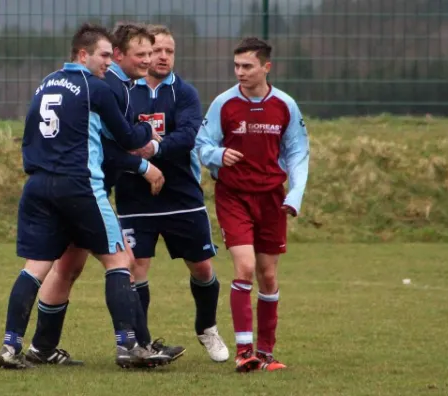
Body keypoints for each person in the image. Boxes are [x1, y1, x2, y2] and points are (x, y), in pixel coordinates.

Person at [0, 22, 163, 370]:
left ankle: (12, 347)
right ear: (82, 54)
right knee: (118, 262)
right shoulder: (94, 87)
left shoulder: (45, 83)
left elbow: (29, 135)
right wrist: (150, 129)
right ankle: (128, 346)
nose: (108, 63)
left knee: (36, 268)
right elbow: (130, 138)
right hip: (79, 185)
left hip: (39, 186)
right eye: (103, 55)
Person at [195, 37, 309, 373]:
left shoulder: (285, 105)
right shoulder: (224, 104)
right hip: (234, 196)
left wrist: (295, 194)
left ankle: (266, 353)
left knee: (268, 276)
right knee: (244, 268)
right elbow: (202, 144)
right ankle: (245, 352)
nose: (240, 72)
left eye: (247, 66)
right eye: (237, 66)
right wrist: (218, 155)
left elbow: (298, 152)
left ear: (266, 67)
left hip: (272, 198)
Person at [117, 24, 229, 363]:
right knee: (136, 266)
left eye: (169, 51)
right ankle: (142, 343)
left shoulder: (186, 93)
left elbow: (187, 135)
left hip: (181, 194)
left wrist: (150, 150)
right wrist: (135, 160)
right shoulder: (124, 91)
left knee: (202, 268)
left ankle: (206, 327)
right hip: (134, 196)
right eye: (156, 51)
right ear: (144, 54)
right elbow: (115, 135)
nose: (163, 57)